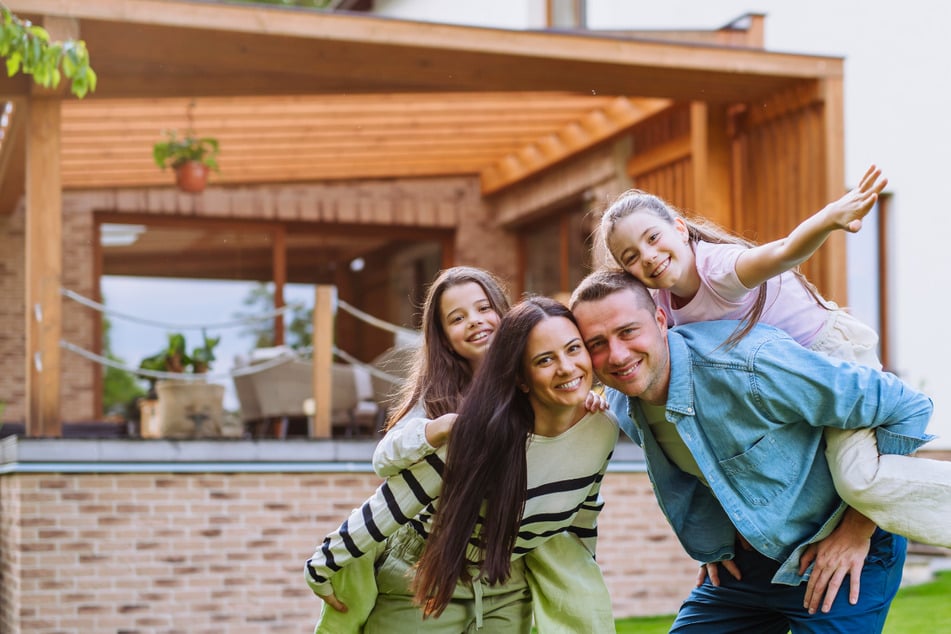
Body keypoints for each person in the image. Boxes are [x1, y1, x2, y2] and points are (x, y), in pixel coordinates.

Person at [596, 165, 951, 549]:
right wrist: (596, 396)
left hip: (831, 356)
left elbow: (783, 252)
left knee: (857, 479)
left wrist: (828, 220)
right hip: (789, 383)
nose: (648, 256)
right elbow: (637, 350)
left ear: (679, 229)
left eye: (653, 238)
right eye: (632, 257)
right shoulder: (660, 304)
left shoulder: (720, 270)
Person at [569, 269, 935, 632]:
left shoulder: (750, 365)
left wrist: (857, 530)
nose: (617, 355)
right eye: (596, 343)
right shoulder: (622, 404)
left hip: (840, 546)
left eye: (628, 331)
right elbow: (700, 467)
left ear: (661, 321)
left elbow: (906, 407)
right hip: (747, 562)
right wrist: (713, 542)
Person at [307, 274, 617, 632]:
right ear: (520, 374)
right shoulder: (457, 416)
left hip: (505, 574)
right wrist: (324, 564)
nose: (475, 321)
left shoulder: (597, 426)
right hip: (429, 565)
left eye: (484, 308)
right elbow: (393, 492)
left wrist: (574, 400)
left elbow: (583, 510)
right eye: (457, 317)